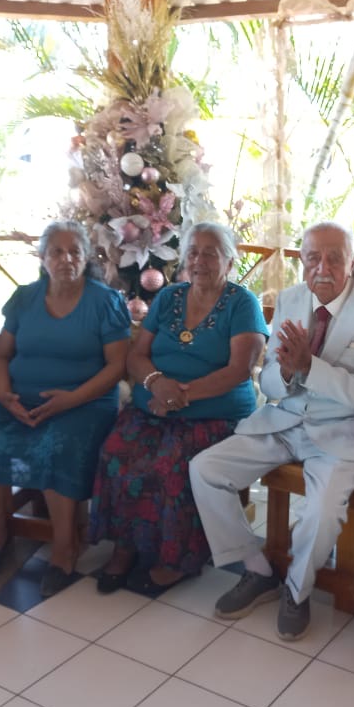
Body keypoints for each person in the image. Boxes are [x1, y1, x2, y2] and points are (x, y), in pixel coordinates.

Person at [190, 222, 354, 640]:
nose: (322, 268)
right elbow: (268, 382)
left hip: (346, 431)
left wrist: (309, 367)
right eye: (312, 258)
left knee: (322, 510)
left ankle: (296, 590)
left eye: (334, 258)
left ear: (353, 261)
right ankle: (258, 570)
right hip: (285, 421)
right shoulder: (290, 299)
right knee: (205, 469)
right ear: (301, 260)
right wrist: (287, 373)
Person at [91, 222, 268, 594]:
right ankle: (126, 546)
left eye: (210, 254)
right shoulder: (169, 296)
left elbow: (238, 370)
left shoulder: (242, 303)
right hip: (154, 405)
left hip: (214, 413)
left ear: (229, 262)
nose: (199, 261)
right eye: (193, 252)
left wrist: (179, 396)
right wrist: (157, 383)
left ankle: (177, 559)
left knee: (171, 463)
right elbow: (136, 355)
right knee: (116, 452)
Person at [0, 220, 130, 594]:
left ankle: (64, 548)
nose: (66, 259)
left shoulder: (105, 302)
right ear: (42, 258)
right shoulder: (25, 298)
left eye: (75, 252)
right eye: (56, 251)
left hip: (84, 403)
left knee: (56, 448)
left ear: (86, 258)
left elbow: (117, 366)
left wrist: (72, 398)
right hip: (20, 400)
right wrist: (4, 394)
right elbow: (0, 355)